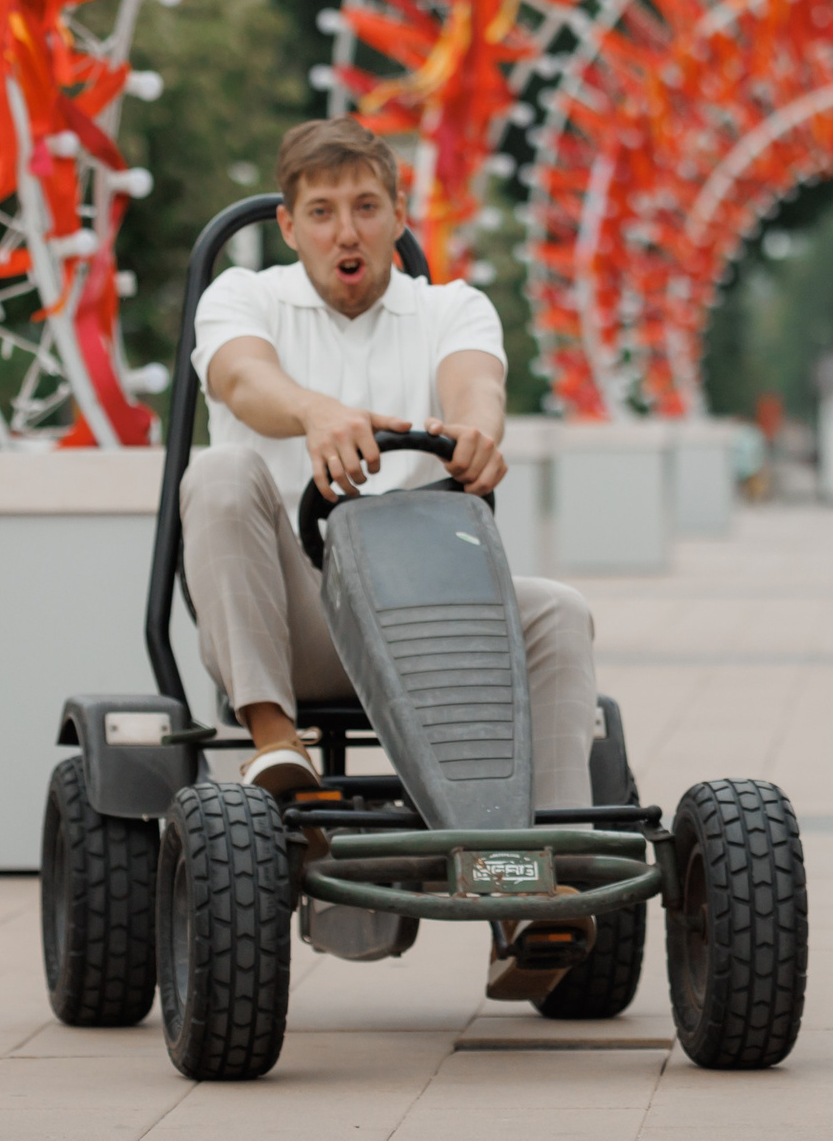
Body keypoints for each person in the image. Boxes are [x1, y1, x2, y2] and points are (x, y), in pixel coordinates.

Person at [181, 116, 598, 1001]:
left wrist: (477, 432)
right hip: (294, 615)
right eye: (323, 211)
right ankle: (271, 739)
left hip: (430, 615)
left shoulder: (452, 308)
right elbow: (243, 381)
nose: (347, 231)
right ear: (289, 227)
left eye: (366, 207)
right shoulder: (242, 300)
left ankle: (537, 878)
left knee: (558, 608)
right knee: (218, 472)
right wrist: (312, 414)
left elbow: (475, 384)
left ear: (397, 215)